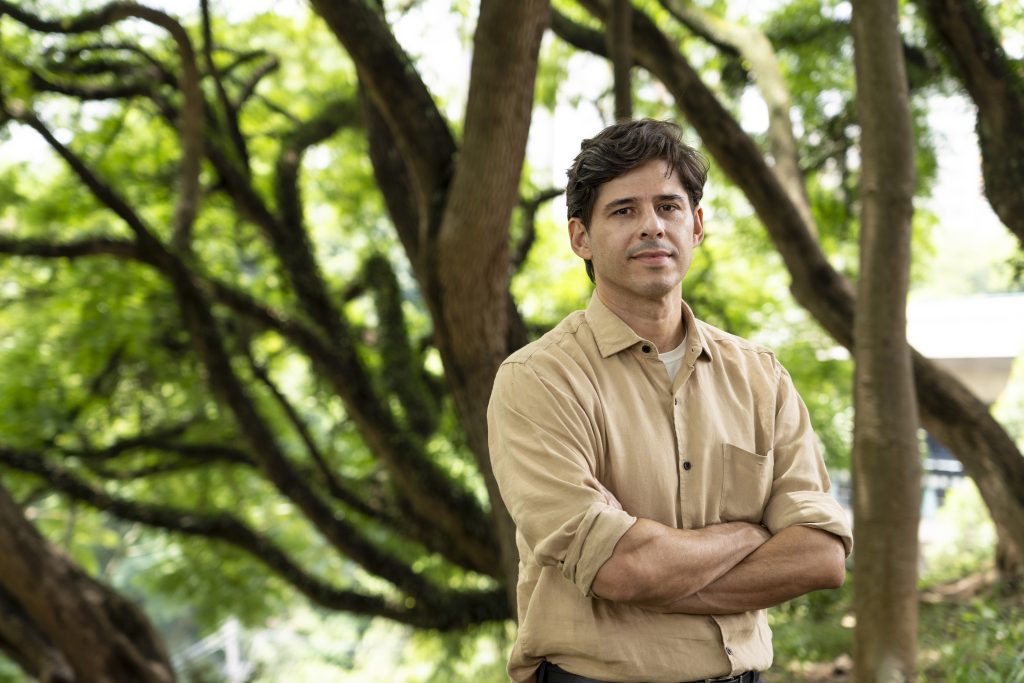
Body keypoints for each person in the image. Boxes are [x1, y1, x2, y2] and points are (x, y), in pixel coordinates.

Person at [487, 118, 853, 683]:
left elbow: (821, 557)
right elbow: (623, 569)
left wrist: (661, 570)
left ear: (697, 223)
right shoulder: (538, 380)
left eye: (668, 206)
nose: (652, 226)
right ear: (580, 236)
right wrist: (753, 533)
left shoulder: (760, 377)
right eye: (623, 211)